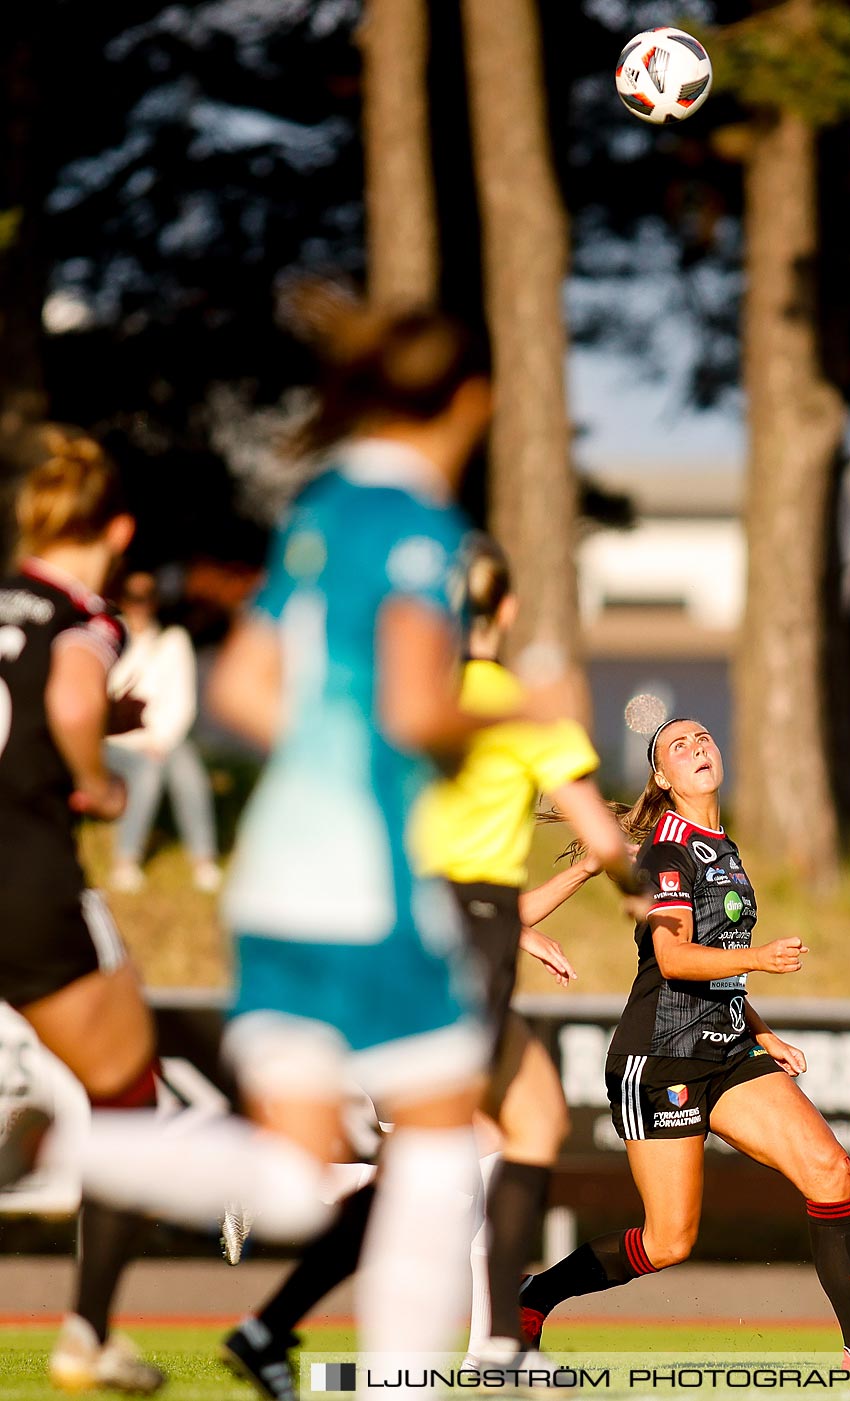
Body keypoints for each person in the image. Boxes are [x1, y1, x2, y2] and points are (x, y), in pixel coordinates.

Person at [0, 303, 554, 1371]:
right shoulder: (420, 527)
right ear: (474, 400)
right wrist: (519, 706)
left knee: (303, 1176)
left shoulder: (321, 507)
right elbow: (413, 714)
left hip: (272, 880)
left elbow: (245, 692)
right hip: (366, 880)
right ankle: (400, 1391)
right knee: (439, 1152)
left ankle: (79, 1143)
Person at [221, 535, 652, 1396]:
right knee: (455, 1149)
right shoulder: (521, 705)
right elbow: (604, 836)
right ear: (509, 610)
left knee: (515, 1120)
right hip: (474, 925)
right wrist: (637, 893)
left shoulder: (404, 697)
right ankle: (477, 1348)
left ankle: (303, 1324)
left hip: (407, 920)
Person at [515, 717, 850, 1372]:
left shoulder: (722, 847)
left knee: (830, 1168)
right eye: (677, 745)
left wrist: (759, 1027)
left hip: (730, 1050)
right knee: (669, 1239)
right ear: (660, 776)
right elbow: (674, 958)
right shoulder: (667, 851)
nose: (697, 747)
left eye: (704, 737)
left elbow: (720, 958)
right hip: (661, 1059)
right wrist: (761, 958)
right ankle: (538, 1293)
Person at [0, 428, 168, 1392]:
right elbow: (64, 695)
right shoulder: (85, 613)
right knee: (131, 1096)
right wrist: (97, 777)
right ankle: (87, 1334)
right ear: (117, 529)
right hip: (21, 878)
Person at [105, 570, 220, 894]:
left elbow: (183, 703)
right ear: (122, 599)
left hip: (162, 739)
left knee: (188, 771)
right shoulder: (108, 637)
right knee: (148, 772)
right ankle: (125, 860)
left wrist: (159, 740)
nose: (140, 606)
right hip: (115, 741)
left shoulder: (174, 641)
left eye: (147, 598)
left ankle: (203, 859)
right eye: (133, 597)